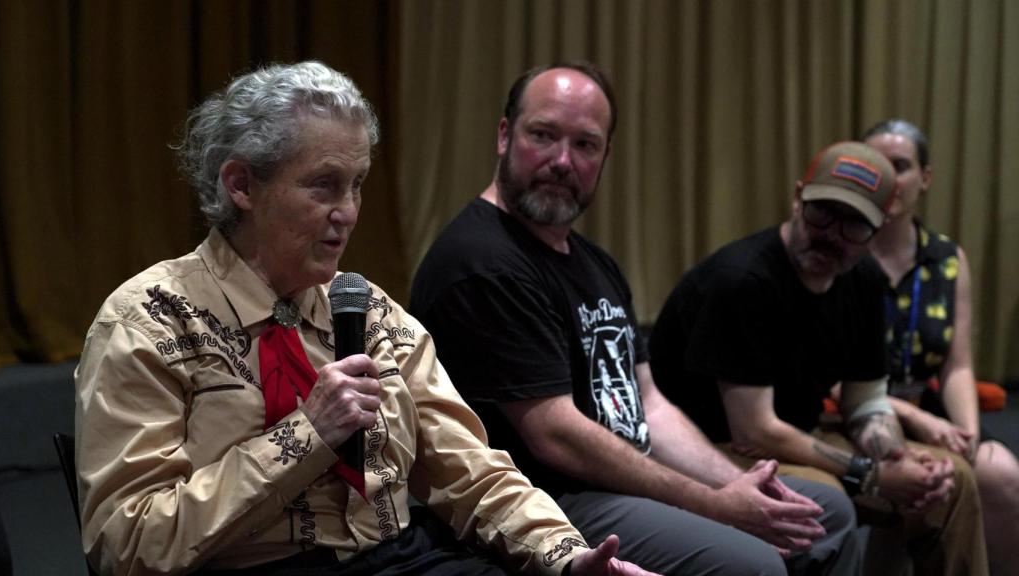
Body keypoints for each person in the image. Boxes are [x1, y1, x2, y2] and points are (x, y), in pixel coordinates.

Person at [74, 61, 657, 576]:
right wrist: (306, 436)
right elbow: (126, 543)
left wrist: (565, 556)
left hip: (400, 555)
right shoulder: (151, 319)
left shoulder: (368, 310)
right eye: (323, 185)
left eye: (356, 186)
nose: (347, 212)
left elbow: (472, 473)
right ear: (242, 185)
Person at [410, 61, 861, 576]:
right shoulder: (480, 261)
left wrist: (732, 483)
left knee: (829, 513)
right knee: (753, 564)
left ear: (604, 157)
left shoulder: (593, 262)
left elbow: (649, 403)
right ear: (505, 135)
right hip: (546, 499)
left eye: (585, 145)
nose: (562, 160)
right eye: (543, 135)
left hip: (616, 480)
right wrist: (712, 504)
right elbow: (556, 436)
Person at [648, 140, 989, 575]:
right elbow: (754, 430)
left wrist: (898, 458)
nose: (832, 235)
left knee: (950, 479)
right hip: (712, 448)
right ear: (797, 197)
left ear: (879, 228)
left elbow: (864, 401)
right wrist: (877, 476)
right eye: (822, 212)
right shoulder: (743, 281)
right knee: (822, 494)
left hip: (795, 435)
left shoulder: (863, 279)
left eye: (854, 226)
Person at [862, 118, 1019, 575]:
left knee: (1002, 474)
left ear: (925, 179)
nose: (889, 178)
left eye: (902, 166)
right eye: (877, 166)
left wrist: (967, 433)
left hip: (927, 401)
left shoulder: (947, 258)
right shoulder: (842, 251)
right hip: (856, 406)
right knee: (921, 482)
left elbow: (957, 365)